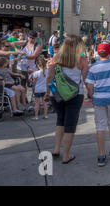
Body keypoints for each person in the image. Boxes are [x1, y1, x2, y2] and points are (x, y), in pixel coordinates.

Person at [45, 35, 89, 164]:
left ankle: (56, 149)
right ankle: (66, 156)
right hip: (75, 95)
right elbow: (85, 80)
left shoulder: (56, 58)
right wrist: (91, 92)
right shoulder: (82, 60)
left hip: (57, 95)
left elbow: (49, 78)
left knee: (60, 120)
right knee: (70, 124)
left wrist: (48, 93)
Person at [30, 56, 49, 120]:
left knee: (37, 103)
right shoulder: (47, 71)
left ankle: (36, 116)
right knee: (45, 103)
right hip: (45, 89)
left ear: (37, 65)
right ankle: (45, 115)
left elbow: (34, 82)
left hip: (38, 89)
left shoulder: (36, 73)